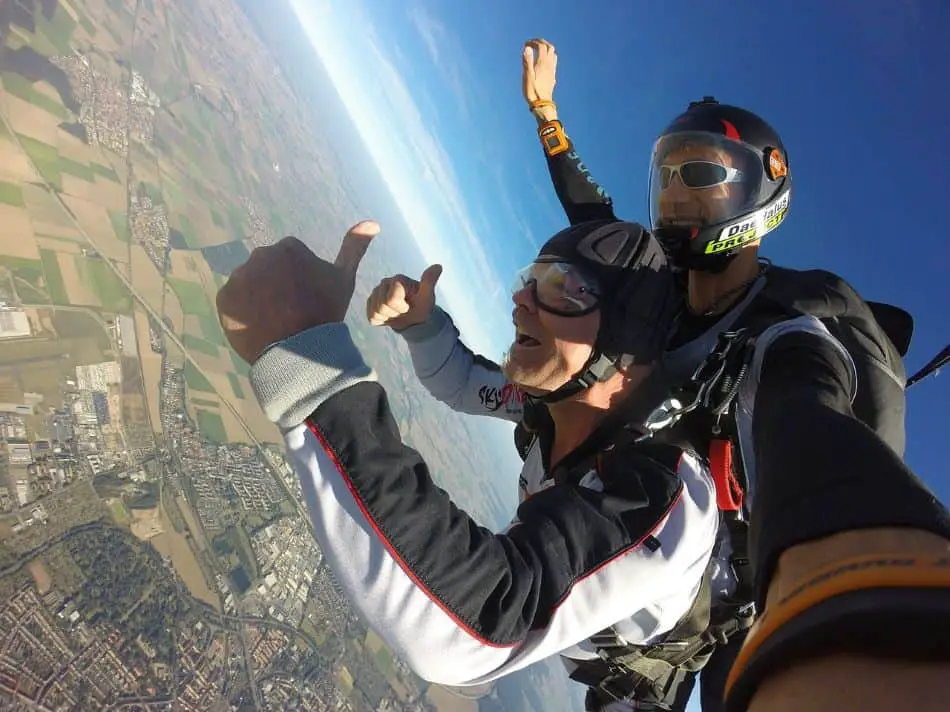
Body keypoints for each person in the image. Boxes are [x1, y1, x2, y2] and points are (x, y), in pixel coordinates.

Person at [517, 39, 950, 711]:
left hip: (724, 594)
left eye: (701, 176)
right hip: (639, 554)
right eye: (668, 178)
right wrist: (547, 115)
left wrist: (882, 591)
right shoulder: (660, 291)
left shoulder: (791, 323)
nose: (677, 197)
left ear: (761, 185)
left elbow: (808, 417)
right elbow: (596, 221)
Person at [219, 219, 737, 712]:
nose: (519, 299)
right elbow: (464, 382)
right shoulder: (555, 405)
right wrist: (421, 326)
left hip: (628, 691)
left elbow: (471, 629)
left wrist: (309, 365)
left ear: (625, 346)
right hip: (578, 639)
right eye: (530, 279)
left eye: (563, 288)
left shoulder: (668, 496)